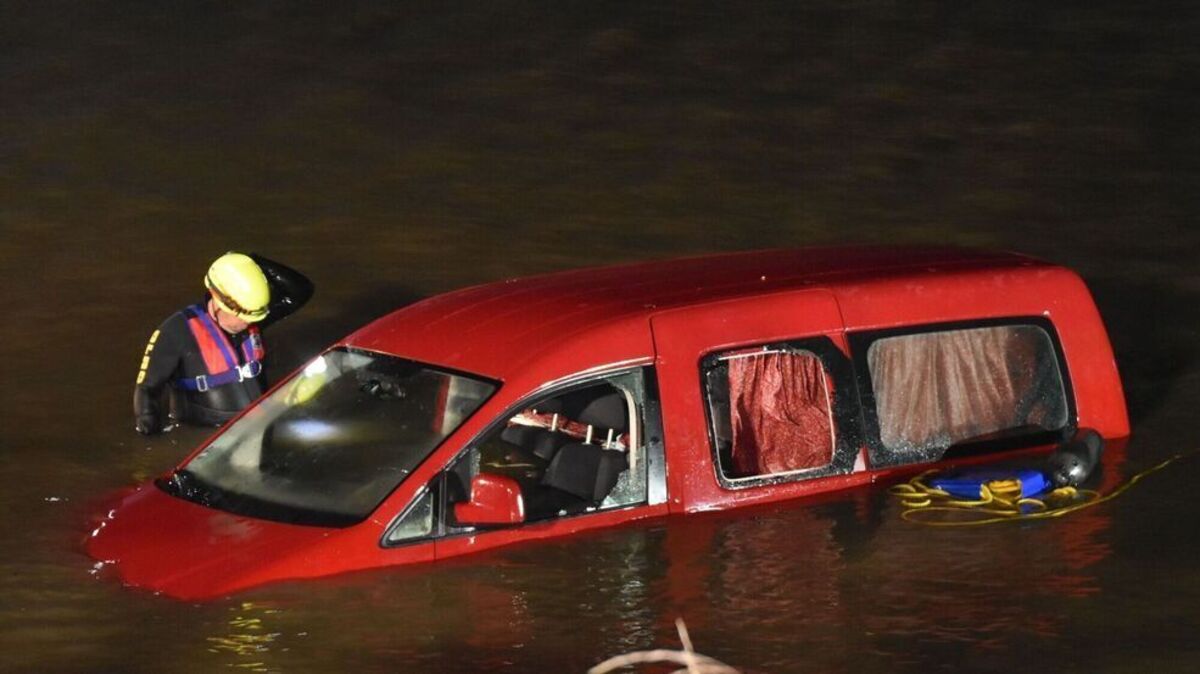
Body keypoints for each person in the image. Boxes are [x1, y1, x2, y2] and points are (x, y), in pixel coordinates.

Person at [133, 251, 314, 434]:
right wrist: (150, 434)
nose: (248, 323)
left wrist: (253, 264)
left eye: (252, 317)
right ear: (219, 301)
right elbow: (147, 389)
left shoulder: (252, 314)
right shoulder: (177, 331)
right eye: (242, 317)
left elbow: (300, 292)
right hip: (210, 438)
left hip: (260, 425)